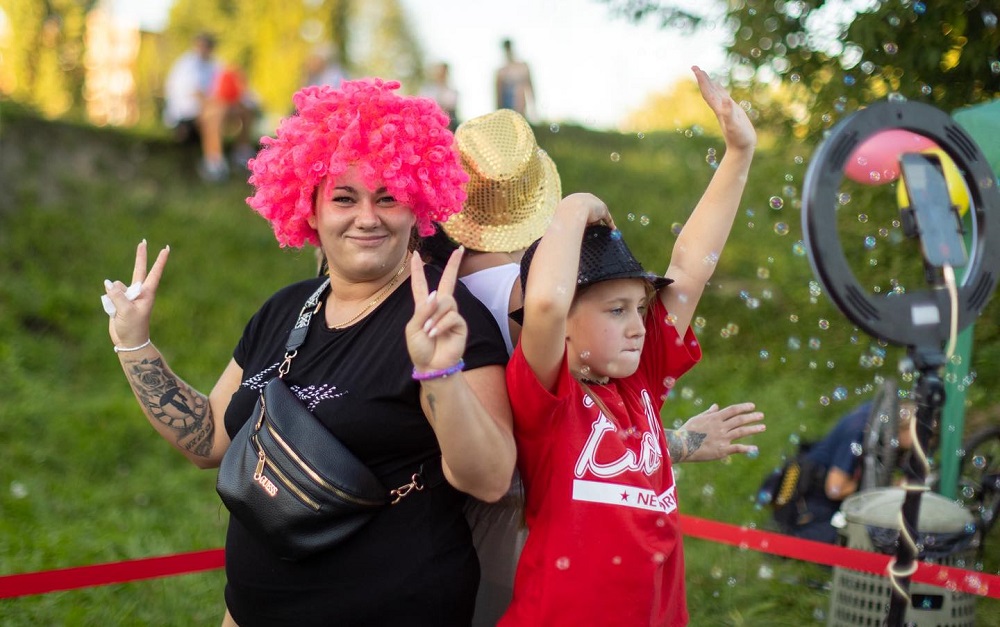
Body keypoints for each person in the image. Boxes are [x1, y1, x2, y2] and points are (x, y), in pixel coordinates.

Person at [103, 78, 515, 627]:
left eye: (388, 197)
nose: (367, 217)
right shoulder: (285, 308)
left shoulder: (447, 318)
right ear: (310, 209)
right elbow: (210, 438)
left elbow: (489, 479)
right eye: (344, 197)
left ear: (417, 206)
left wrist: (440, 373)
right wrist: (133, 342)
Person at [499, 66, 756, 626]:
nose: (639, 326)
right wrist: (575, 206)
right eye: (615, 311)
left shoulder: (639, 380)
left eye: (639, 308)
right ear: (564, 326)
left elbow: (691, 267)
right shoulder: (548, 396)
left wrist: (740, 152)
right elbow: (544, 306)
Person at [767, 387, 916, 544]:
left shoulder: (879, 416)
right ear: (907, 426)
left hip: (821, 491)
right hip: (812, 501)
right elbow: (835, 489)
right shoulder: (859, 429)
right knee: (851, 543)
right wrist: (892, 486)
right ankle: (783, 537)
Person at [162, 32, 257, 182]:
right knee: (216, 112)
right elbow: (195, 95)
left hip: (211, 108)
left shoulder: (216, 64)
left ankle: (242, 153)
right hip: (186, 115)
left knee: (244, 109)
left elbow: (226, 89)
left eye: (208, 46)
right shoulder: (186, 65)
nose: (205, 48)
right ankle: (213, 161)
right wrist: (218, 102)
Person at [495, 39, 534, 119]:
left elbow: (530, 86)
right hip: (507, 108)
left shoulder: (522, 67)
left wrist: (533, 105)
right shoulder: (501, 71)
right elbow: (498, 93)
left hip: (521, 105)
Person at [420, 61, 459, 131]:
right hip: (430, 118)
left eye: (443, 72)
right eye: (439, 72)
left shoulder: (452, 91)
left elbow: (450, 106)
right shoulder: (428, 89)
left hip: (448, 121)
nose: (440, 74)